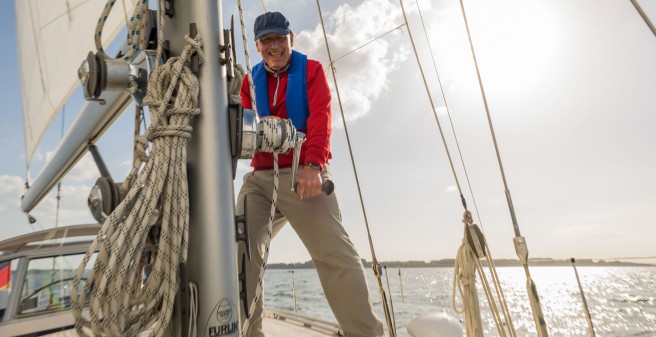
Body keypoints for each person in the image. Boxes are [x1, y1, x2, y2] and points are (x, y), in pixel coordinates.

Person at [236, 11, 384, 337]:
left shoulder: (312, 71)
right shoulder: (249, 82)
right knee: (240, 249)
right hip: (261, 179)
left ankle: (365, 333)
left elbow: (321, 119)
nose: (274, 46)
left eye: (280, 38)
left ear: (291, 39)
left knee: (335, 256)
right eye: (267, 40)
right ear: (257, 45)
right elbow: (244, 130)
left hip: (304, 170)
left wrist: (313, 166)